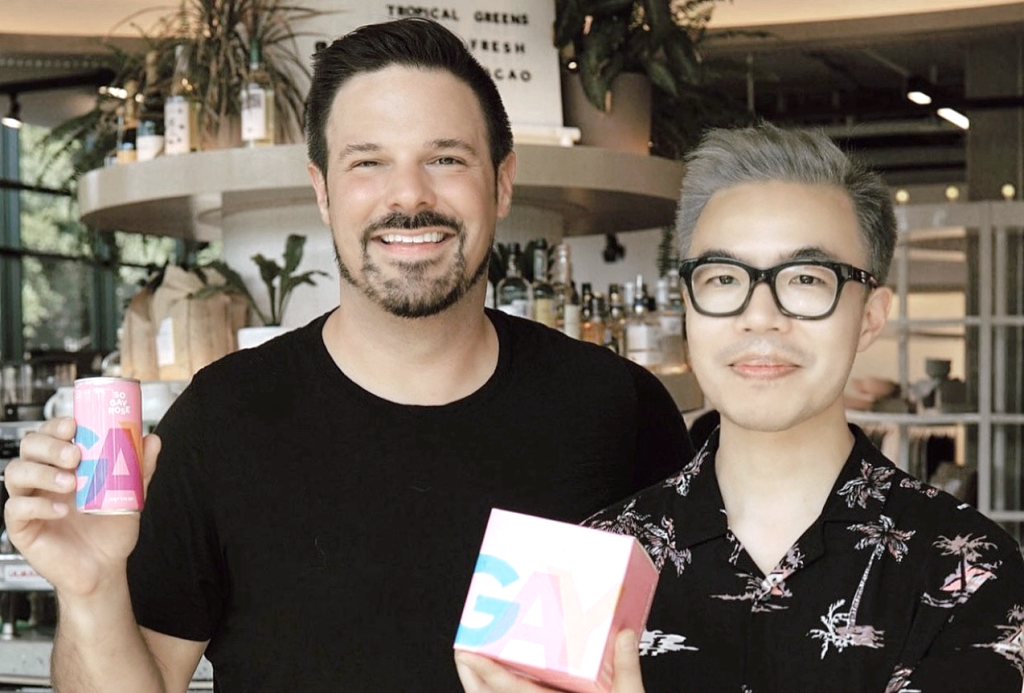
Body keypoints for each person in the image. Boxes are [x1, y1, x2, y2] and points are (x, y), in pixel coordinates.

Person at [3, 18, 693, 693]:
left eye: (446, 158)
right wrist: (91, 590)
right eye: (368, 163)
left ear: (502, 182)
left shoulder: (616, 411)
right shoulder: (223, 420)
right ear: (323, 190)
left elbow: (701, 654)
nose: (409, 196)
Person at [455, 124, 1024, 693]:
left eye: (806, 278)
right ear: (687, 306)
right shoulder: (584, 567)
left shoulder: (968, 570)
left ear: (871, 316)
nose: (759, 316)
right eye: (724, 278)